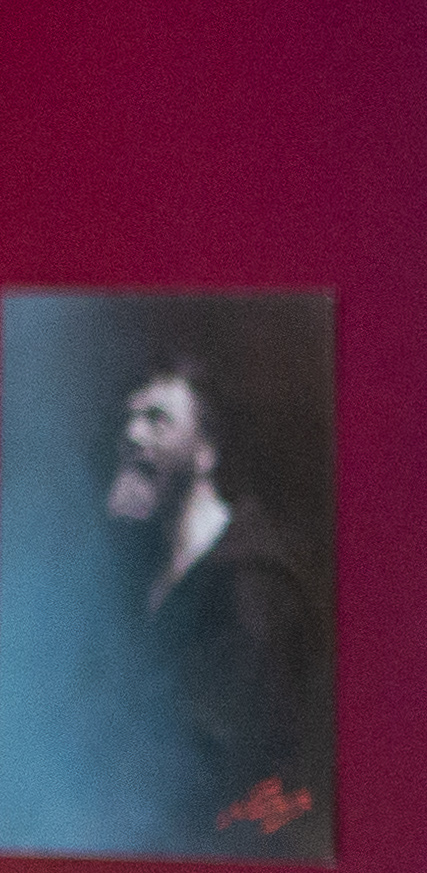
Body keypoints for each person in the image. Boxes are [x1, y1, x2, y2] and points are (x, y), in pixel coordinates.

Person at [102, 356, 319, 836]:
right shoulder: (147, 568)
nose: (132, 435)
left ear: (206, 453)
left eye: (157, 420)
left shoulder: (250, 583)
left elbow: (265, 784)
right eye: (129, 419)